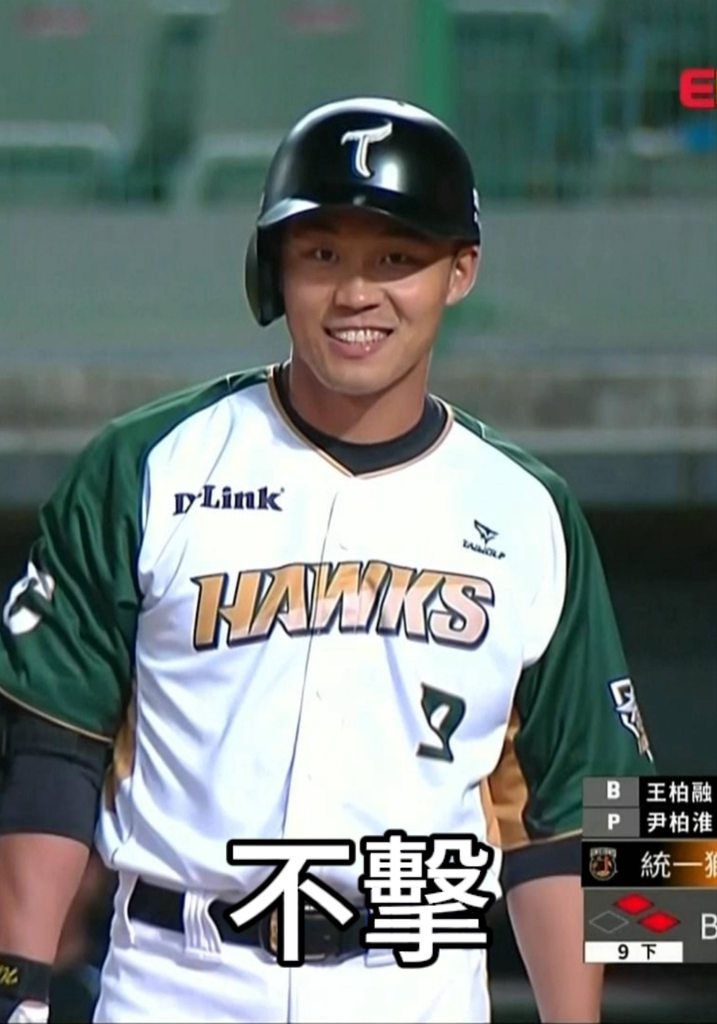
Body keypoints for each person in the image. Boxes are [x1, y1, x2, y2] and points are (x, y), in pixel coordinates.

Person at [0, 96, 656, 1024]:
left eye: (395, 258)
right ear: (273, 269)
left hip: (417, 982)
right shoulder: (146, 465)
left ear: (460, 271)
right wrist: (17, 990)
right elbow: (48, 751)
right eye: (320, 255)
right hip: (177, 983)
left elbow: (597, 809)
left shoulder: (530, 508)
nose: (355, 294)